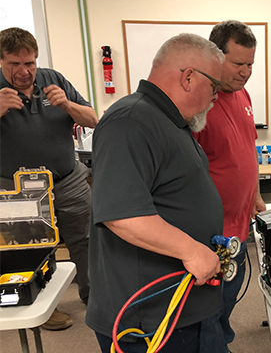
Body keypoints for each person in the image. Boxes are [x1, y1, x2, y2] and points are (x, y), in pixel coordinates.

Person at [86, 33, 225, 353]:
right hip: (149, 319)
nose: (216, 96)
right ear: (189, 77)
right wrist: (192, 250)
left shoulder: (169, 121)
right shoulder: (130, 121)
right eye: (214, 87)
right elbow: (122, 215)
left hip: (185, 304)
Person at [0, 27, 98, 330]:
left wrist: (67, 105)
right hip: (16, 190)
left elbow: (93, 119)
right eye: (14, 64)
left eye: (29, 63)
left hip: (67, 180)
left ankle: (93, 296)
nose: (23, 71)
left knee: (86, 241)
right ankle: (42, 308)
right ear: (2, 61)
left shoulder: (53, 80)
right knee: (29, 250)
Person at [192, 20, 266, 353]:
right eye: (238, 64)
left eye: (250, 63)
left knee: (228, 300)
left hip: (239, 227)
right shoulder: (197, 105)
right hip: (210, 233)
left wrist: (256, 194)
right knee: (207, 311)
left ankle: (221, 342)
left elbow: (247, 148)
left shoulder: (242, 93)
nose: (246, 72)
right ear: (214, 56)